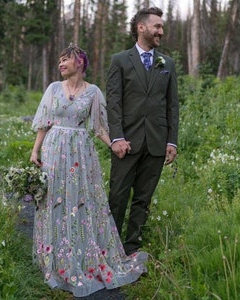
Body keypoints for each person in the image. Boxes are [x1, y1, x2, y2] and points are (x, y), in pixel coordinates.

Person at [29, 43, 147, 298]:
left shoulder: (93, 92)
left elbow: (99, 127)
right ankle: (54, 257)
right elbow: (43, 123)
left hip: (81, 154)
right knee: (54, 201)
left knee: (80, 202)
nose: (61, 64)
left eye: (65, 60)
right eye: (59, 60)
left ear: (79, 63)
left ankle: (84, 254)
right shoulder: (52, 89)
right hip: (54, 150)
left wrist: (114, 145)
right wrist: (35, 151)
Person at [106, 7, 179, 256]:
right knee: (117, 196)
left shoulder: (167, 63)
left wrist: (172, 141)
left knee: (143, 199)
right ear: (141, 27)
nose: (161, 31)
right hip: (126, 142)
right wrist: (116, 137)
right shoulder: (120, 60)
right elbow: (113, 102)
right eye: (157, 26)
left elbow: (172, 106)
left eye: (161, 26)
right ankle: (110, 247)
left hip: (157, 144)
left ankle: (132, 247)